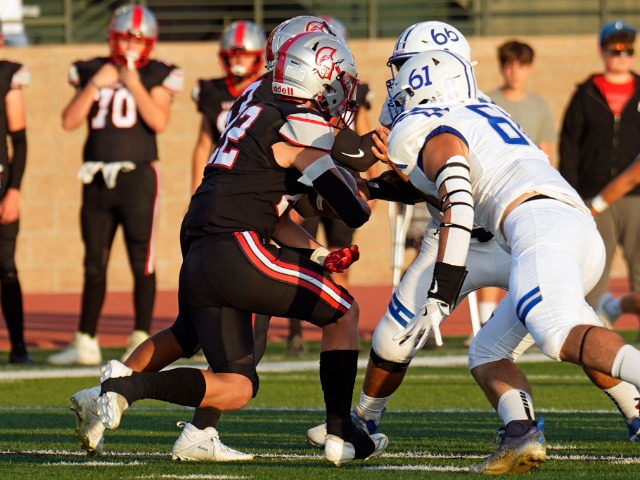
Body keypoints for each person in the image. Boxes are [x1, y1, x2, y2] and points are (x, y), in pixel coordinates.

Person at [306, 22, 640, 474]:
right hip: (545, 225)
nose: (396, 79)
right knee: (486, 351)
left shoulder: (423, 123)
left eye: (404, 67)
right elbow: (436, 184)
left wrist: (443, 289)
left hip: (524, 228)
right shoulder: (479, 108)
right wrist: (375, 186)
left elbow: (458, 199)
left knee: (558, 331)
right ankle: (519, 432)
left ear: (425, 73)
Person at [91, 31, 387, 467]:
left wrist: (319, 253)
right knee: (343, 311)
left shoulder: (256, 104)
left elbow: (276, 210)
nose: (342, 93)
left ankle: (129, 392)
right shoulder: (297, 119)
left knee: (234, 382)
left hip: (205, 240)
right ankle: (341, 430)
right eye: (337, 82)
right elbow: (353, 208)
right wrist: (376, 183)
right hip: (237, 245)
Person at [48, 4, 184, 366]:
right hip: (95, 177)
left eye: (137, 40)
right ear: (112, 38)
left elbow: (158, 121)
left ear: (149, 43)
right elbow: (68, 121)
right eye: (125, 39)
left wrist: (131, 81)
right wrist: (96, 83)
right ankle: (86, 339)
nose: (130, 46)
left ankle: (140, 336)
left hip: (138, 177)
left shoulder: (158, 73)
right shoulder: (91, 69)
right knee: (94, 261)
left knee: (142, 260)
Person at [286, 15, 380, 356]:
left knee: (340, 255)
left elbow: (360, 134)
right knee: (300, 255)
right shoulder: (292, 97)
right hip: (304, 182)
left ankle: (340, 318)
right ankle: (296, 330)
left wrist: (370, 181)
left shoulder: (351, 91)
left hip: (338, 178)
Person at [468, 39, 557, 340]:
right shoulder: (487, 101)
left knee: (528, 253)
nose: (514, 71)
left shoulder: (539, 106)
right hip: (493, 189)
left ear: (529, 69)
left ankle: (528, 319)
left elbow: (547, 150)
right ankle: (485, 322)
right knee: (489, 250)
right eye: (508, 65)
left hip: (529, 190)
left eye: (520, 65)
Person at [559, 20, 640, 311]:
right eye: (615, 49)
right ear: (602, 51)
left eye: (628, 49)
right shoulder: (586, 93)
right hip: (593, 195)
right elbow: (569, 146)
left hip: (636, 196)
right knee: (595, 267)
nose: (621, 56)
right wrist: (571, 193)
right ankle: (593, 326)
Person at [191, 20, 266, 194]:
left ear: (257, 56)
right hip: (222, 178)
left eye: (245, 55)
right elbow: (204, 145)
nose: (239, 60)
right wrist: (195, 192)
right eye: (233, 55)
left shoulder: (268, 88)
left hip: (260, 178)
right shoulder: (212, 91)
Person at [0, 22, 31, 364]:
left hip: (1, 184)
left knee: (6, 265)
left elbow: (19, 142)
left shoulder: (6, 75)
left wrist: (14, 192)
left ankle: (19, 347)